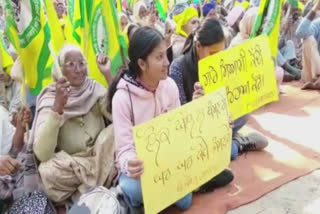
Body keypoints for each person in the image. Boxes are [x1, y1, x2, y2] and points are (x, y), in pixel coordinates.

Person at [109, 26, 193, 211]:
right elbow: (123, 150)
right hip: (142, 172)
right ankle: (135, 198)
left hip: (170, 164)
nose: (167, 62)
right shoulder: (122, 99)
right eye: (159, 57)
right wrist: (130, 164)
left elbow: (179, 129)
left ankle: (148, 202)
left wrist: (196, 106)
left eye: (166, 55)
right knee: (132, 187)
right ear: (141, 64)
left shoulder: (169, 85)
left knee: (185, 201)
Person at [170, 18, 268, 161]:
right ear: (198, 46)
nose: (217, 58)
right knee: (221, 155)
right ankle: (237, 143)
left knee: (244, 111)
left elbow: (229, 99)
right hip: (193, 131)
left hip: (217, 123)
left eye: (220, 53)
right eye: (212, 53)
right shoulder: (178, 68)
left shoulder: (222, 64)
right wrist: (195, 104)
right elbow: (178, 117)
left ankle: (227, 138)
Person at [32, 45, 117, 203]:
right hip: (72, 164)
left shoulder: (94, 88)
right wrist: (57, 106)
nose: (78, 69)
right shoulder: (51, 97)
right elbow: (43, 153)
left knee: (118, 131)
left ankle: (83, 191)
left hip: (99, 155)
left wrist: (107, 75)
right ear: (59, 70)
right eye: (70, 64)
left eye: (82, 63)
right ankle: (103, 179)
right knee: (47, 171)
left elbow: (119, 115)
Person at [229, 7, 284, 91]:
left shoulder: (261, 40)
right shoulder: (237, 41)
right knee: (277, 72)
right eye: (259, 25)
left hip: (255, 81)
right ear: (250, 24)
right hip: (243, 83)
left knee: (278, 71)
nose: (261, 27)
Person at [296, 0, 320, 89]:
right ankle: (317, 77)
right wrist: (315, 8)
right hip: (311, 74)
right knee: (308, 39)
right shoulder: (318, 23)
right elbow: (300, 33)